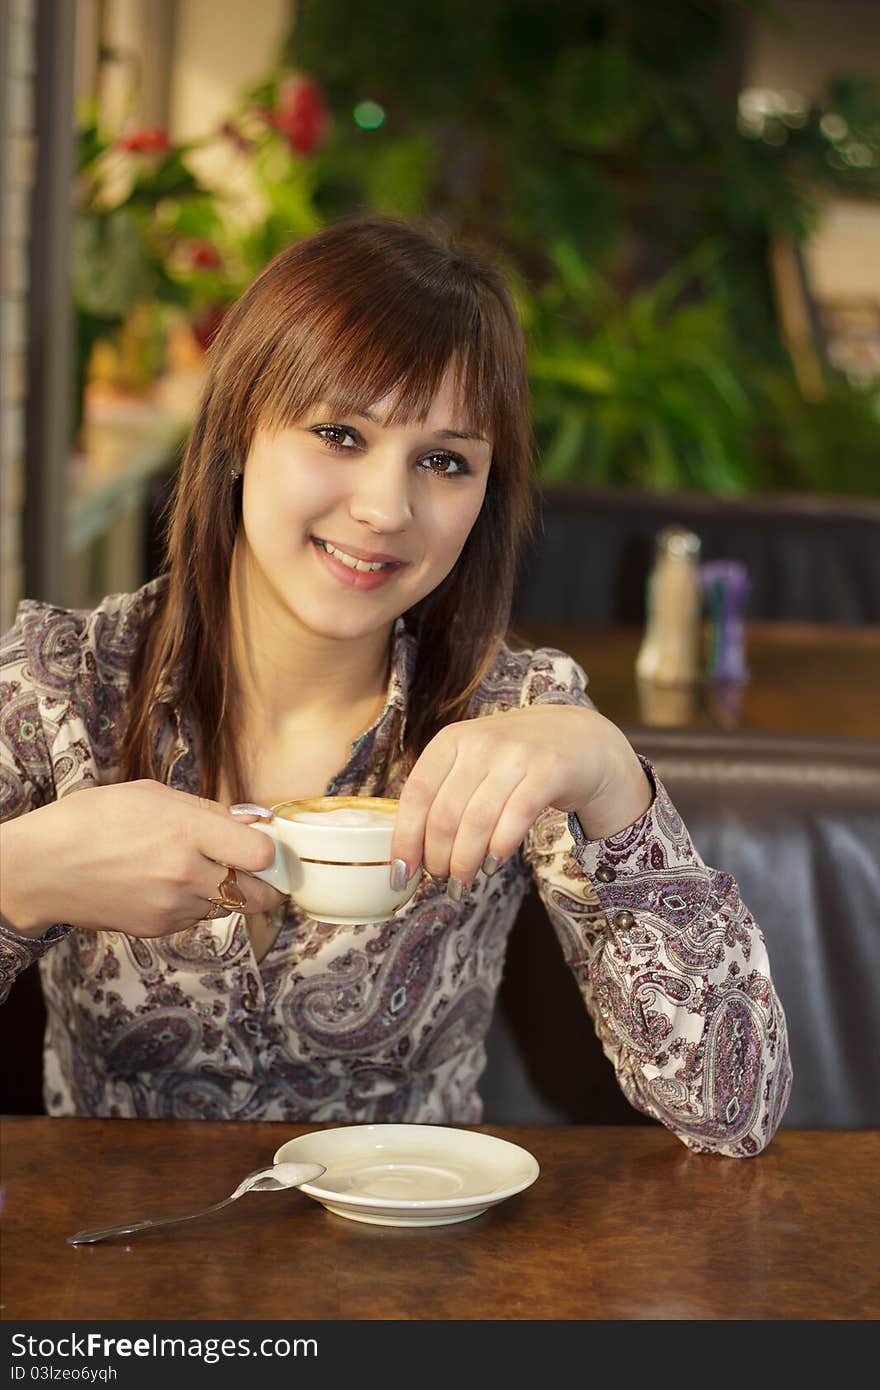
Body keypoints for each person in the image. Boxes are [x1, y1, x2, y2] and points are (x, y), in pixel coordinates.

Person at [0, 216, 791, 1152]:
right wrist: (21, 882)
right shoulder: (61, 686)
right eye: (339, 433)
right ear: (238, 437)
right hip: (115, 1272)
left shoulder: (514, 716)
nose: (385, 509)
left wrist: (614, 780)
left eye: (444, 461)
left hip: (410, 1278)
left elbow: (731, 1111)